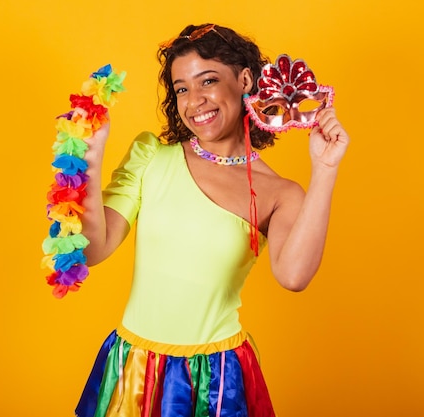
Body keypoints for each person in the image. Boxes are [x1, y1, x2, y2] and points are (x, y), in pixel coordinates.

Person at [74, 23, 349, 417]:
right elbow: (93, 249)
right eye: (182, 88)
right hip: (134, 369)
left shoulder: (279, 193)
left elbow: (294, 277)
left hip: (217, 379)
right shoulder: (152, 155)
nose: (195, 100)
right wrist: (91, 157)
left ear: (245, 79)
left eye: (208, 81)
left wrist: (324, 170)